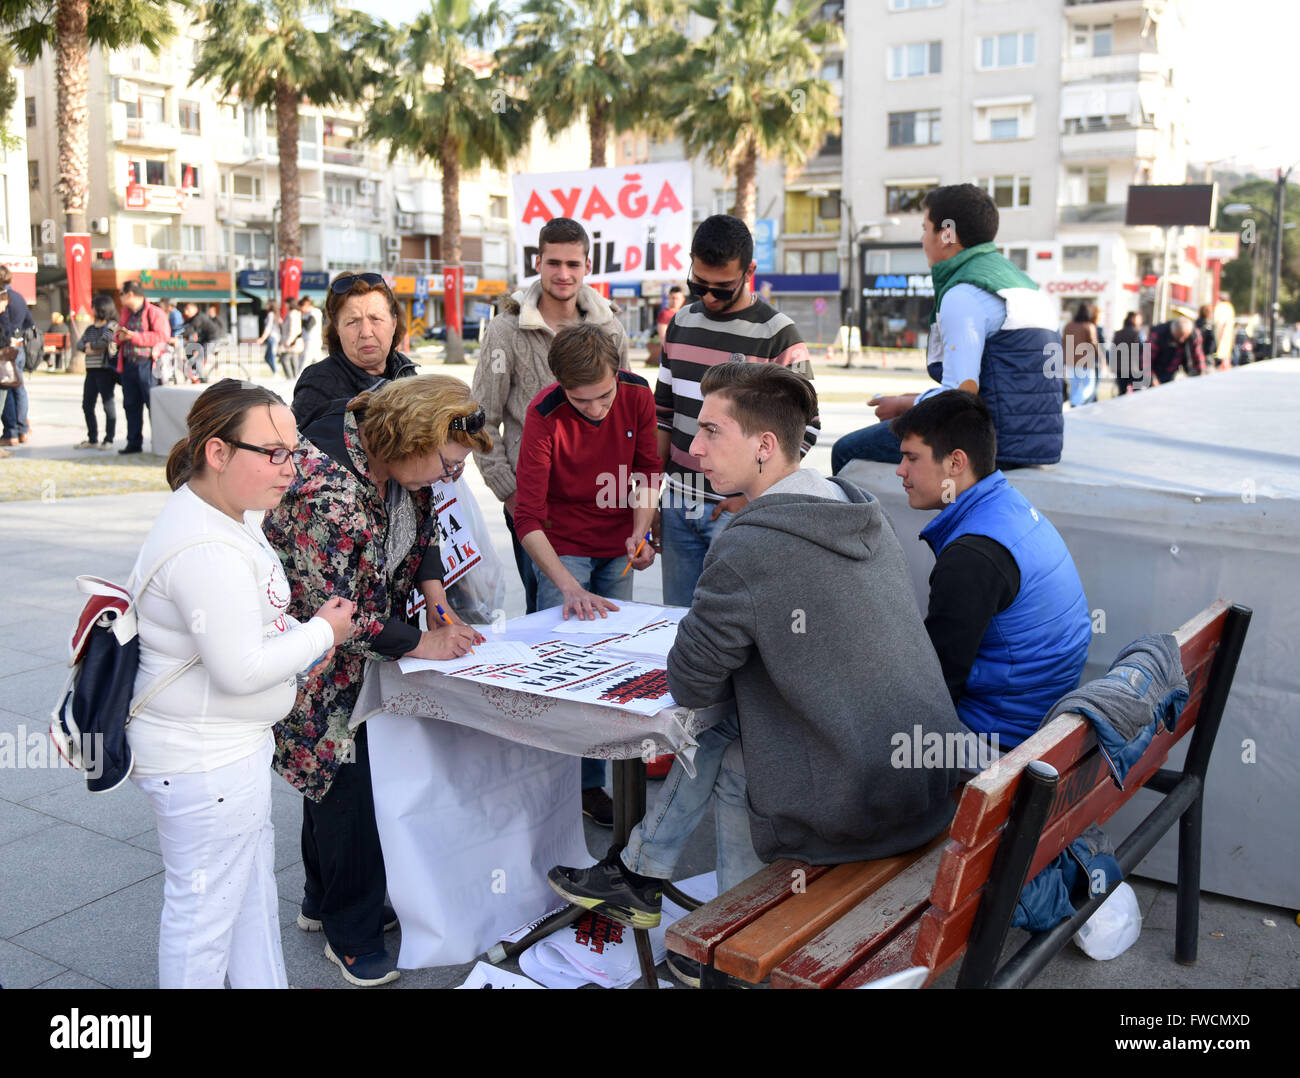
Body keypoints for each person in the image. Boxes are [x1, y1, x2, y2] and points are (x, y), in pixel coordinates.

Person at [550, 366, 963, 983]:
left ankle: (726, 943)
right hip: (925, 787)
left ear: (765, 447)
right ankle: (650, 882)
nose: (693, 450)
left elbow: (690, 684)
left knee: (727, 742)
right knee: (733, 728)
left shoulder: (750, 544)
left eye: (713, 433)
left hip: (856, 811)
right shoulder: (855, 509)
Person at [263, 373, 489, 987]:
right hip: (317, 658)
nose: (450, 479)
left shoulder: (399, 460)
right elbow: (341, 612)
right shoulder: (329, 489)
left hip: (357, 650)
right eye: (448, 464)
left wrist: (437, 599)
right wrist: (423, 641)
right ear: (412, 436)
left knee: (334, 782)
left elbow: (423, 534)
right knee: (346, 789)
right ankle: (352, 933)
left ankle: (323, 899)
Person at [129, 379, 355, 988]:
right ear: (218, 452)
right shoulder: (205, 546)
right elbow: (239, 669)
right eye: (274, 453)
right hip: (205, 762)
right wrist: (322, 633)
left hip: (224, 752)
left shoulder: (227, 513)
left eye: (294, 451)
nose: (291, 468)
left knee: (248, 899)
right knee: (203, 919)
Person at [513, 322, 658, 826]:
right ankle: (552, 785)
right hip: (562, 546)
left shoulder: (638, 393)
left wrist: (641, 533)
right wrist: (566, 585)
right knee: (558, 667)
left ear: (618, 373)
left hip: (616, 541)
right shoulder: (543, 413)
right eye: (582, 401)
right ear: (561, 389)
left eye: (603, 397)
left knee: (613, 661)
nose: (596, 410)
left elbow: (647, 473)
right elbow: (526, 517)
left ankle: (596, 782)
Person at [892, 390, 1091, 751]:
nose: (900, 471)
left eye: (911, 458)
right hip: (1041, 725)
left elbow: (934, 688)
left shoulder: (973, 556)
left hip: (1001, 744)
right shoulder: (1009, 508)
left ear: (956, 463)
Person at [831, 183, 1063, 472]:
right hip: (1039, 445)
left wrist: (905, 406)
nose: (922, 238)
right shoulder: (1022, 283)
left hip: (992, 445)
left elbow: (962, 395)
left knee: (847, 452)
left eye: (925, 228)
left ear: (947, 235)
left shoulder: (965, 293)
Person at [654, 213, 815, 608]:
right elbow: (663, 416)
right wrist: (650, 500)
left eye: (722, 289)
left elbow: (805, 431)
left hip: (738, 512)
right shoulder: (680, 323)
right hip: (676, 504)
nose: (708, 297)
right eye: (698, 284)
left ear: (749, 272)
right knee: (676, 628)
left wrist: (751, 498)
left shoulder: (779, 334)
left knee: (733, 633)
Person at [472, 217, 630, 618]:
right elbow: (481, 420)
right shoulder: (505, 331)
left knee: (612, 620)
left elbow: (623, 414)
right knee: (551, 621)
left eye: (573, 264)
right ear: (538, 262)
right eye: (554, 263)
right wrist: (511, 493)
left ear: (587, 267)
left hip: (602, 505)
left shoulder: (610, 328)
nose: (563, 274)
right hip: (536, 506)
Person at [291, 272, 417, 430]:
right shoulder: (319, 383)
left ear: (394, 323)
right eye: (352, 322)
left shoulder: (405, 370)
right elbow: (301, 450)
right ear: (337, 329)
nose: (365, 332)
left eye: (375, 318)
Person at [114, 280, 171, 454]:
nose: (120, 298)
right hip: (128, 364)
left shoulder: (154, 312)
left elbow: (163, 336)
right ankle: (133, 442)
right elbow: (116, 334)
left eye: (121, 294)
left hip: (147, 365)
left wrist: (135, 337)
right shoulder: (125, 313)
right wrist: (120, 337)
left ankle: (159, 442)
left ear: (130, 294)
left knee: (153, 404)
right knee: (130, 404)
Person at [74, 294, 120, 450]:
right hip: (91, 371)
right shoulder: (90, 328)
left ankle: (109, 439)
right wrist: (93, 348)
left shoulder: (112, 326)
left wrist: (90, 347)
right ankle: (92, 438)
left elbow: (104, 342)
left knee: (108, 405)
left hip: (105, 371)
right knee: (87, 405)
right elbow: (79, 345)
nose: (91, 309)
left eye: (93, 306)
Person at [0, 265, 36, 447]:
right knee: (18, 389)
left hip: (5, 349)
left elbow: (4, 325)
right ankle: (22, 429)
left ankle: (11, 432)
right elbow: (30, 322)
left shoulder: (3, 298)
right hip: (19, 347)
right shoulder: (20, 297)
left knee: (6, 389)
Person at [1062, 301, 1101, 408]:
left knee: (1074, 386)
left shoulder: (1068, 325)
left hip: (1069, 361)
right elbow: (1094, 344)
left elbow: (1063, 342)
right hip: (1085, 362)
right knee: (1088, 387)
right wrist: (1102, 359)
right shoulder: (1089, 326)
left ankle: (1074, 407)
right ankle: (1075, 403)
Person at [1148, 316, 1205, 385]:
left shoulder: (1194, 335)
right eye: (1178, 337)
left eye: (1184, 336)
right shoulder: (1158, 334)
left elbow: (1198, 356)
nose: (1181, 340)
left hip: (1173, 372)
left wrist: (1201, 374)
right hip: (1157, 370)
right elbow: (1145, 360)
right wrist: (1152, 378)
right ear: (1172, 331)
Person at [181, 301, 222, 382]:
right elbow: (184, 327)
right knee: (190, 350)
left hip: (212, 339)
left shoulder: (199, 317)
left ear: (195, 309)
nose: (186, 312)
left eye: (188, 310)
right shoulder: (192, 318)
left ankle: (203, 379)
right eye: (185, 310)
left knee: (199, 358)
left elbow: (191, 329)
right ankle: (194, 372)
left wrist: (180, 336)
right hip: (204, 339)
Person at [1111, 311, 1147, 396]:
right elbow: (1144, 350)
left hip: (1120, 368)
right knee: (1137, 394)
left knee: (1121, 393)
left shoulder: (1118, 333)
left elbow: (1113, 350)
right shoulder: (1138, 333)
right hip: (1135, 368)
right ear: (1134, 319)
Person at [255, 302, 281, 377]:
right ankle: (275, 372)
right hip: (275, 337)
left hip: (272, 337)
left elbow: (268, 328)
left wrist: (262, 338)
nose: (266, 305)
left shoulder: (271, 314)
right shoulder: (276, 314)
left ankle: (276, 373)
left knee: (271, 356)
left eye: (267, 304)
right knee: (268, 356)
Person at [298, 295, 322, 368]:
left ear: (305, 306)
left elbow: (308, 326)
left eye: (301, 308)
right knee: (318, 362)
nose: (301, 310)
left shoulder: (314, 312)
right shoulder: (308, 314)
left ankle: (298, 376)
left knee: (304, 361)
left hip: (312, 341)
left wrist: (302, 318)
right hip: (309, 340)